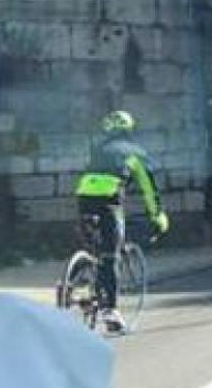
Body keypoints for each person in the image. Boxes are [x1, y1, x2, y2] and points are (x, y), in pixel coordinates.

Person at [73, 110, 170, 333]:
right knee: (110, 253)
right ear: (130, 130)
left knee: (92, 246)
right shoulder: (135, 152)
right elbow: (148, 188)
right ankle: (111, 310)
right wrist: (157, 216)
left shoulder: (98, 149)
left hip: (84, 197)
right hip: (109, 200)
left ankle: (83, 285)